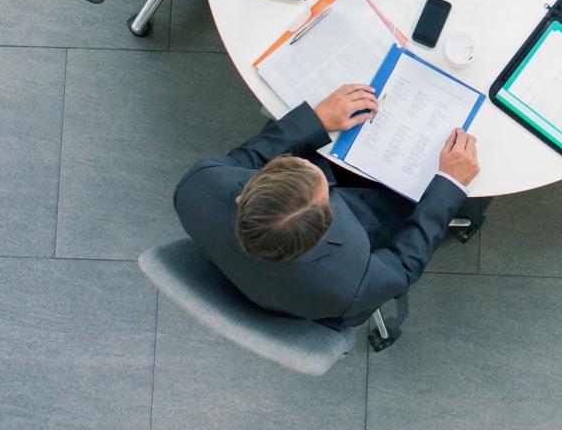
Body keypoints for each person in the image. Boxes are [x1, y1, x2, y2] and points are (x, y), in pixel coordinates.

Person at [174, 83, 482, 333]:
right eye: (324, 188)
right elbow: (402, 268)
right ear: (326, 225)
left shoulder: (198, 187)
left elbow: (247, 156)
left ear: (247, 189)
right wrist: (450, 183)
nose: (313, 164)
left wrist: (317, 120)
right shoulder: (351, 288)